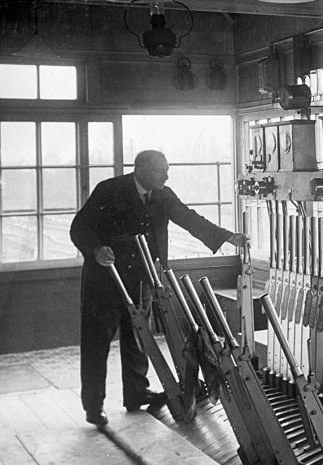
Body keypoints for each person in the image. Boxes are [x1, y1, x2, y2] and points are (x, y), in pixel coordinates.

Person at [70, 149, 247, 427]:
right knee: (96, 343)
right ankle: (94, 406)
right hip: (105, 279)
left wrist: (227, 237)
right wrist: (95, 249)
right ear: (140, 169)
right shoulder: (110, 190)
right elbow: (78, 226)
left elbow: (189, 219)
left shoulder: (163, 194)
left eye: (167, 169)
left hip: (143, 278)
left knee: (138, 338)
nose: (166, 175)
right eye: (159, 170)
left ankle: (136, 393)